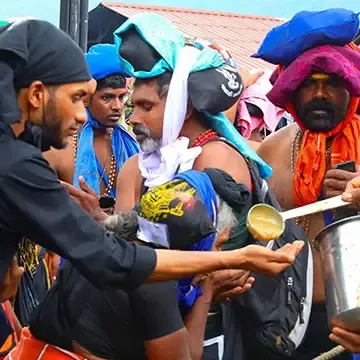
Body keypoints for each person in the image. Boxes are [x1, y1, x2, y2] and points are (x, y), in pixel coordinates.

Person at [0, 19, 305, 353]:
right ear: (36, 95)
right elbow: (117, 259)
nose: (82, 115)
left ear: (180, 105)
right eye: (77, 98)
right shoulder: (18, 163)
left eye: (143, 106)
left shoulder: (214, 158)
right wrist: (221, 270)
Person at [8, 169, 260, 360]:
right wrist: (207, 290)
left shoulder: (109, 243)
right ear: (201, 239)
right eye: (218, 244)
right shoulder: (154, 280)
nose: (217, 254)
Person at [257, 35, 360, 357]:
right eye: (307, 83)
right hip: (283, 318)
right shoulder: (272, 149)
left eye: (332, 83)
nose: (319, 94)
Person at [44, 43, 139, 206]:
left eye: (121, 97)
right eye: (107, 98)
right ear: (86, 98)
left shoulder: (130, 143)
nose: (117, 106)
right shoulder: (58, 146)